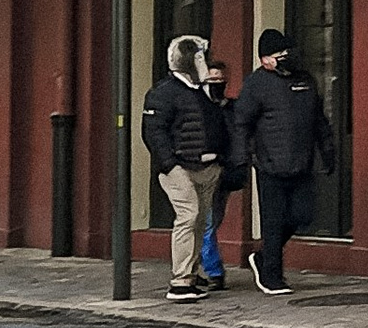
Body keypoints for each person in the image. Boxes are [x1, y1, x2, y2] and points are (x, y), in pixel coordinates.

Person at [231, 27, 336, 298]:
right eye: (280, 54)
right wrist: (241, 159)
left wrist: (328, 152)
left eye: (288, 52)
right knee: (274, 222)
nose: (287, 57)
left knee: (303, 216)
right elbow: (241, 123)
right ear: (265, 59)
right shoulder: (256, 84)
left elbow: (318, 120)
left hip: (302, 162)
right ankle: (272, 275)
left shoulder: (306, 80)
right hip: (269, 165)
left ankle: (263, 256)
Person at [140, 33, 227, 304]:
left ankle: (191, 274)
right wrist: (169, 164)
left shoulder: (201, 91)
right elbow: (153, 133)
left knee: (201, 220)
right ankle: (179, 281)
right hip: (179, 167)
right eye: (202, 58)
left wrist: (220, 159)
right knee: (188, 216)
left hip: (207, 165)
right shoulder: (163, 93)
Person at [201, 57, 238, 288]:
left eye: (220, 79)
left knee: (211, 221)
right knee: (205, 222)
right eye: (212, 78)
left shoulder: (232, 108)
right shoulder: (198, 106)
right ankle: (213, 270)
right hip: (199, 170)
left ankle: (199, 267)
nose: (216, 83)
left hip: (223, 171)